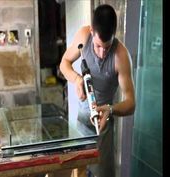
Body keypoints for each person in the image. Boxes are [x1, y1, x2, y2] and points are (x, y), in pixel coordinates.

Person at [59, 4, 135, 177]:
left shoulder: (121, 56)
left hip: (103, 130)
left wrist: (110, 109)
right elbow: (64, 63)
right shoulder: (84, 36)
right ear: (92, 31)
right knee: (77, 173)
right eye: (99, 46)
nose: (102, 53)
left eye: (107, 47)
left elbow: (131, 104)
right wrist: (77, 79)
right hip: (80, 123)